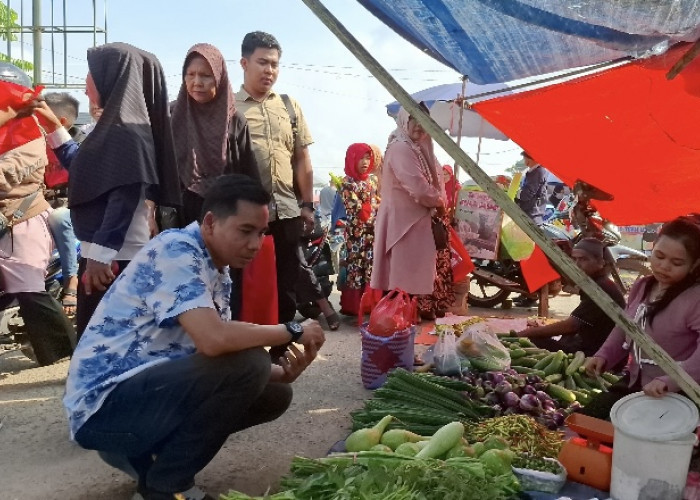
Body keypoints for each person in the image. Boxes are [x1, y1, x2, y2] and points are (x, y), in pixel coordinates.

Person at [63, 174, 325, 500]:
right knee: (254, 362)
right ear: (211, 222)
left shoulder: (216, 268)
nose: (256, 244)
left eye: (261, 233)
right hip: (103, 410)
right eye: (245, 231)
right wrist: (292, 329)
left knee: (274, 391)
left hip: (135, 398)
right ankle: (167, 485)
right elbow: (214, 340)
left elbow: (219, 360)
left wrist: (284, 372)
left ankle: (150, 460)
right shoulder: (176, 251)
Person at [41, 43, 181, 341]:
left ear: (112, 77)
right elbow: (83, 166)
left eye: (92, 74)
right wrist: (52, 125)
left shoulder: (125, 131)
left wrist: (101, 256)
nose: (86, 83)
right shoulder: (115, 128)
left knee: (105, 342)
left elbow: (124, 195)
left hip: (114, 257)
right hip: (107, 253)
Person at [236, 32, 316, 357]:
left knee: (287, 284)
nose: (269, 70)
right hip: (246, 216)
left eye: (274, 64)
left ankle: (279, 353)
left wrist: (308, 204)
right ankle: (243, 353)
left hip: (286, 212)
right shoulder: (229, 108)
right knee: (243, 285)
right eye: (262, 62)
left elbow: (301, 158)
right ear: (244, 63)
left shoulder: (289, 106)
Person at [582, 215, 700, 419]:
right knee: (591, 417)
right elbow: (625, 326)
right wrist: (603, 356)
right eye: (659, 256)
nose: (664, 266)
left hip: (677, 394)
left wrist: (670, 381)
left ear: (694, 264)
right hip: (636, 382)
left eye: (677, 262)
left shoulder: (695, 298)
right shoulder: (643, 286)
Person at [0, 63, 75, 366]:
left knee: (28, 288)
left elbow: (6, 176)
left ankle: (64, 356)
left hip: (22, 221)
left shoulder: (30, 134)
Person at [172, 43, 259, 225]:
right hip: (180, 216)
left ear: (219, 78)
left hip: (226, 216)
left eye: (206, 76)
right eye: (191, 74)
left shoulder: (235, 120)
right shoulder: (172, 115)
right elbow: (157, 169)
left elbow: (249, 175)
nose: (197, 82)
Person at [370, 105, 446, 304]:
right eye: (415, 120)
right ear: (405, 120)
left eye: (425, 122)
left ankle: (399, 329)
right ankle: (394, 331)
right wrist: (439, 202)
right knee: (399, 288)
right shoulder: (401, 147)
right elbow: (419, 188)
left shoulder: (415, 147)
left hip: (410, 226)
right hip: (403, 228)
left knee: (403, 289)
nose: (420, 126)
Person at [515, 238, 626, 356]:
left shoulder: (600, 289)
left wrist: (529, 333)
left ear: (600, 262)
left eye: (583, 259)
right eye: (574, 259)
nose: (577, 264)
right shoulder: (596, 281)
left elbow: (571, 325)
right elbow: (571, 282)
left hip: (596, 354)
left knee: (531, 340)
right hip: (592, 343)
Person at [43, 92, 86, 316]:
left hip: (69, 208)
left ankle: (72, 279)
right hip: (37, 204)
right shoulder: (34, 144)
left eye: (40, 118)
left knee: (58, 218)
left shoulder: (81, 147)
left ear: (61, 123)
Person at [339, 143, 380, 316]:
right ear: (352, 159)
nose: (365, 162)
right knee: (356, 266)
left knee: (371, 265)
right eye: (361, 158)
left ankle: (370, 304)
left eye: (367, 158)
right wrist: (373, 206)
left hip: (372, 233)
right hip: (356, 235)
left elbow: (375, 202)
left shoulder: (372, 180)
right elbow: (357, 209)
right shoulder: (347, 182)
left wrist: (373, 205)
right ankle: (354, 306)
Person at [513, 150, 551, 307]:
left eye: (526, 158)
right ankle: (528, 293)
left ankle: (531, 296)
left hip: (531, 219)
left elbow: (527, 195)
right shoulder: (533, 172)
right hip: (530, 217)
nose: (525, 160)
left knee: (527, 259)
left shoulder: (538, 172)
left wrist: (514, 191)